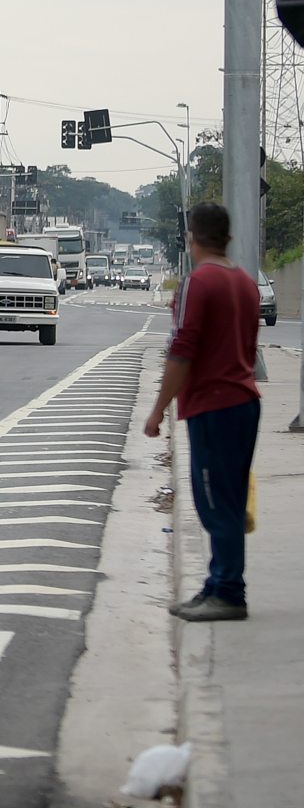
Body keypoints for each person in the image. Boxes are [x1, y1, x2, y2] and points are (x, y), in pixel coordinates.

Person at [144, 201, 262, 621]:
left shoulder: (198, 282)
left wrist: (158, 410)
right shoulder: (245, 283)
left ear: (190, 237)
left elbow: (182, 350)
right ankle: (217, 584)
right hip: (244, 403)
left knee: (215, 502)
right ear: (228, 238)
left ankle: (229, 593)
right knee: (229, 499)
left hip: (214, 406)